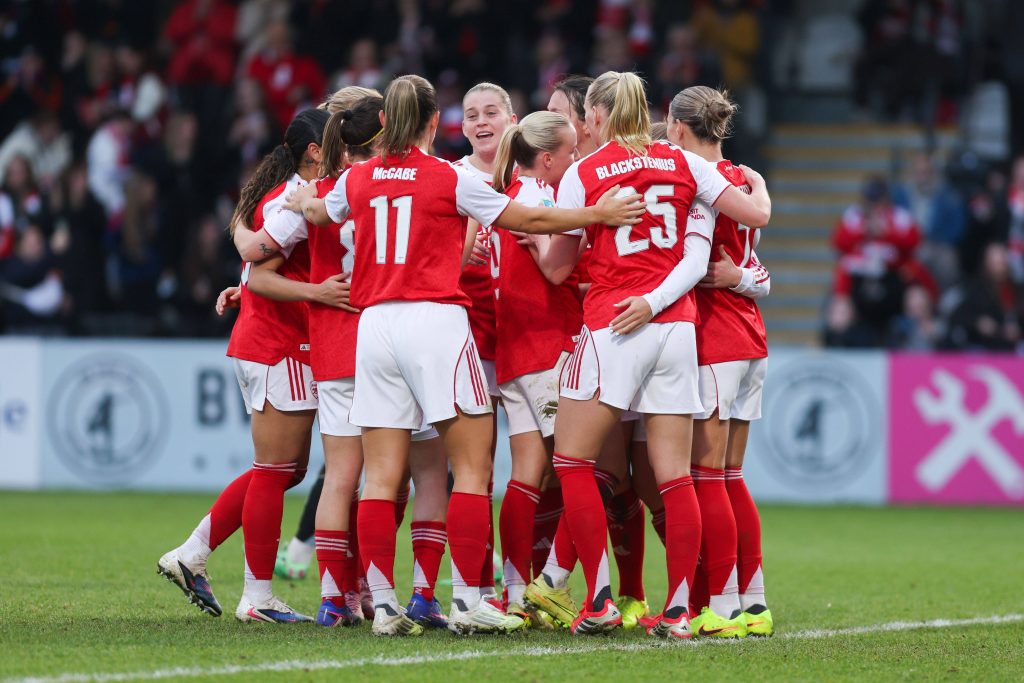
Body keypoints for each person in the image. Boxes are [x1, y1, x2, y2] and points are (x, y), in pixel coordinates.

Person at [287, 74, 645, 635]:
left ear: (384, 121)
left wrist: (302, 198)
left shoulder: (356, 179)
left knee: (379, 477)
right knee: (473, 469)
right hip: (435, 322)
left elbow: (318, 214)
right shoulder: (447, 177)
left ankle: (383, 606)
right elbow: (527, 219)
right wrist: (596, 216)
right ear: (435, 121)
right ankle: (467, 601)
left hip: (374, 328)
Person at [519, 70, 771, 638]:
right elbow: (750, 218)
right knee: (677, 478)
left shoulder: (585, 171)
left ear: (597, 114)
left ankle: (599, 598)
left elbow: (558, 268)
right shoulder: (685, 163)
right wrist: (759, 189)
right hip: (677, 328)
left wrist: (538, 241)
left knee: (574, 462)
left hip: (614, 324)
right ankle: (680, 611)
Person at [157, 108, 331, 624]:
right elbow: (261, 264)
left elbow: (259, 264)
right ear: (315, 151)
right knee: (276, 471)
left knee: (285, 470)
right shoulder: (298, 198)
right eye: (338, 142)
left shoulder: (288, 194)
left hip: (271, 340)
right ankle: (256, 596)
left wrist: (245, 286)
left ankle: (191, 554)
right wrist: (310, 293)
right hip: (280, 344)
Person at [662, 85, 772, 638]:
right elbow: (759, 271)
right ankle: (754, 603)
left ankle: (724, 606)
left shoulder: (699, 184)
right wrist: (743, 277)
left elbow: (701, 264)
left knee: (707, 475)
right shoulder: (744, 181)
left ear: (678, 128)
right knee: (730, 475)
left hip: (715, 339)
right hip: (750, 338)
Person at [489, 111, 583, 624]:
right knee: (584, 469)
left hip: (514, 351)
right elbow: (558, 271)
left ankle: (514, 592)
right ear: (547, 159)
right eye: (570, 153)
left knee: (526, 476)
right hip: (547, 345)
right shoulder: (543, 200)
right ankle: (554, 582)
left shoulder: (507, 196)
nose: (575, 159)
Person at [453, 82, 518, 608]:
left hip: (528, 334)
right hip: (472, 336)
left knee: (543, 469)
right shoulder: (451, 178)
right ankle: (479, 587)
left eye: (490, 112)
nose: (481, 122)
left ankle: (528, 585)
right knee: (478, 466)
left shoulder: (534, 176)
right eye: (472, 114)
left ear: (511, 119)